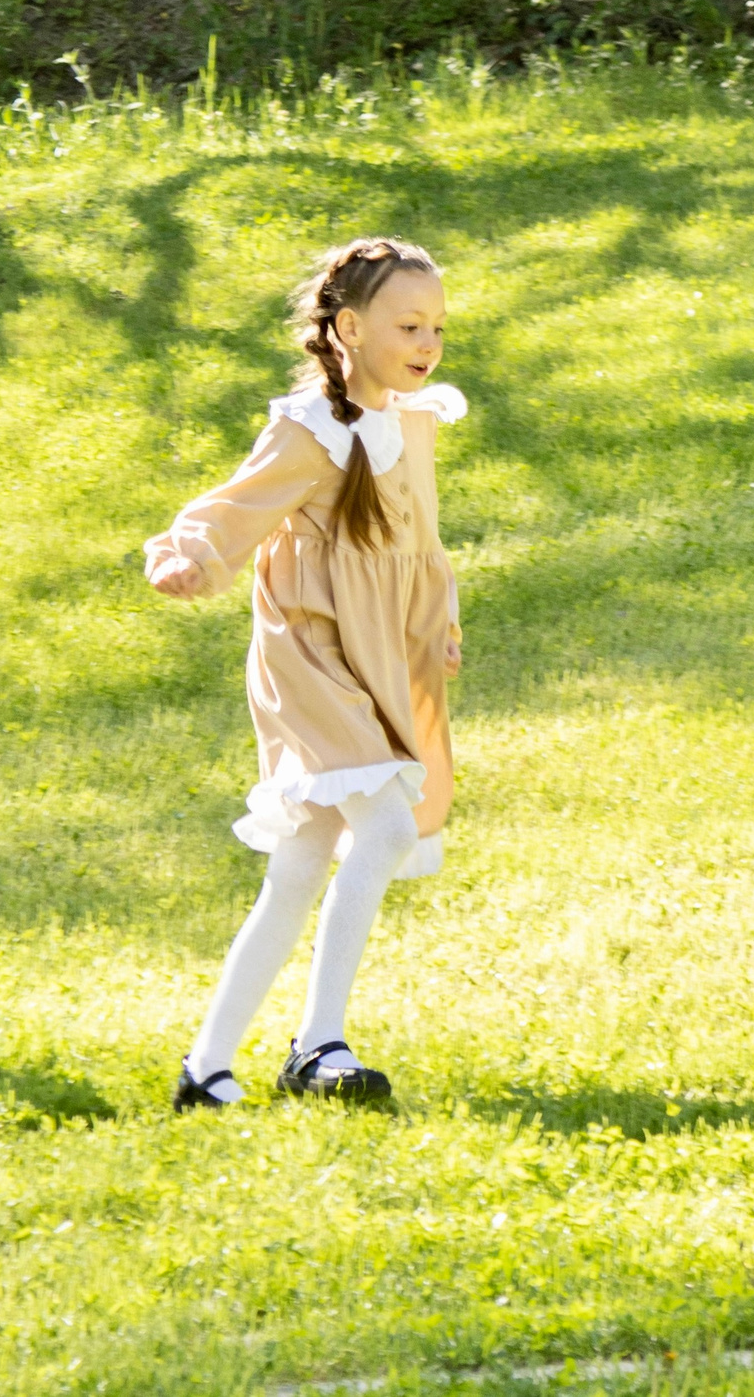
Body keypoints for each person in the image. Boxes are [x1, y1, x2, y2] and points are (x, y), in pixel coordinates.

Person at [145, 237, 465, 1110]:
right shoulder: (307, 428)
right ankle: (320, 1042)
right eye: (409, 323)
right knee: (387, 827)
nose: (428, 340)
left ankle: (205, 1068)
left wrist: (439, 621)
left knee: (303, 861)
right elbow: (228, 512)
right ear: (351, 327)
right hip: (310, 657)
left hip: (378, 656)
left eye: (436, 325)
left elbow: (421, 541)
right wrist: (188, 561)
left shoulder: (416, 418)